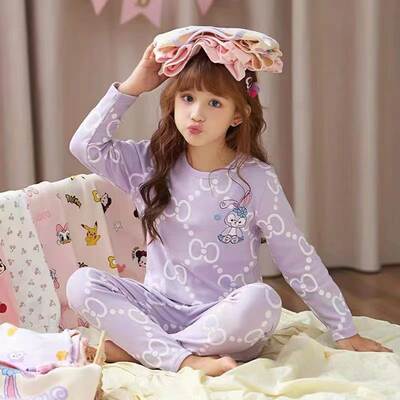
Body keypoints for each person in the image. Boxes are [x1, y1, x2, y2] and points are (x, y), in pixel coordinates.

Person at [66, 41, 393, 377]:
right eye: (187, 98)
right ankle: (182, 358)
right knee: (81, 284)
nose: (197, 114)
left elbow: (296, 256)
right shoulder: (149, 163)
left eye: (214, 103)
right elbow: (84, 145)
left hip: (225, 319)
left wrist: (344, 329)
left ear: (238, 115)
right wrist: (133, 86)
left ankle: (146, 350)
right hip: (159, 308)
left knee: (264, 300)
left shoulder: (255, 179)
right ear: (173, 101)